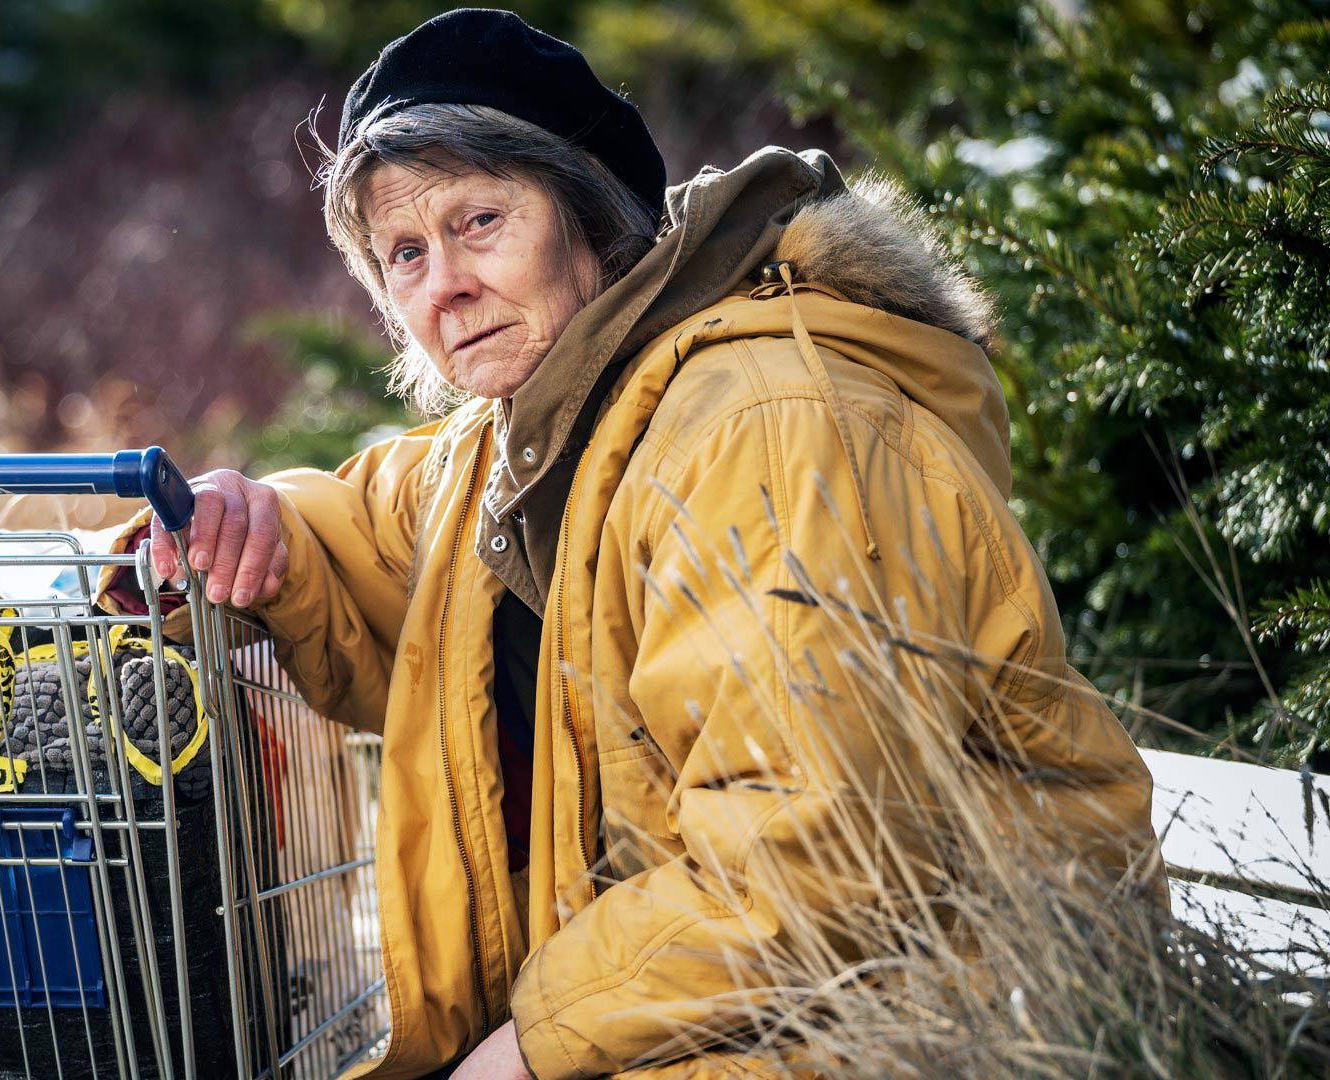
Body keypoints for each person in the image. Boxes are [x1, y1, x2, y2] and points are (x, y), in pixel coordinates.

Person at [100, 9, 1160, 1078]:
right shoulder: (529, 441)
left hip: (954, 1014)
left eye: (480, 223)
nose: (442, 287)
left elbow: (814, 858)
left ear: (593, 219)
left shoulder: (765, 427)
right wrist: (250, 523)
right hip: (760, 1011)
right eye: (405, 255)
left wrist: (529, 1045)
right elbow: (372, 537)